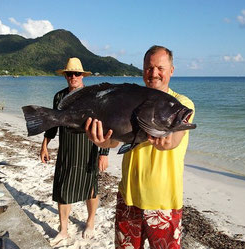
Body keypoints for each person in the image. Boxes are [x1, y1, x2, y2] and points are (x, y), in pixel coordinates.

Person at [85, 45, 195, 248]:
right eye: (149, 68)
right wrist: (100, 142)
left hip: (164, 204)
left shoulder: (181, 104)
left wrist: (165, 142)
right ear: (142, 69)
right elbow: (114, 141)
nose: (154, 73)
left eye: (160, 68)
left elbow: (173, 140)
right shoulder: (129, 99)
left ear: (171, 70)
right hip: (128, 199)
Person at [40, 57, 109, 246]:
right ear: (65, 76)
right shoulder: (59, 97)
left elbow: (103, 125)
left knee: (91, 188)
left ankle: (90, 222)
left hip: (89, 146)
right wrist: (45, 144)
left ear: (82, 75)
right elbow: (52, 122)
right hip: (67, 148)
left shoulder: (93, 96)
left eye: (77, 73)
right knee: (63, 188)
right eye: (69, 74)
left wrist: (104, 153)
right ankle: (63, 230)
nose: (73, 77)